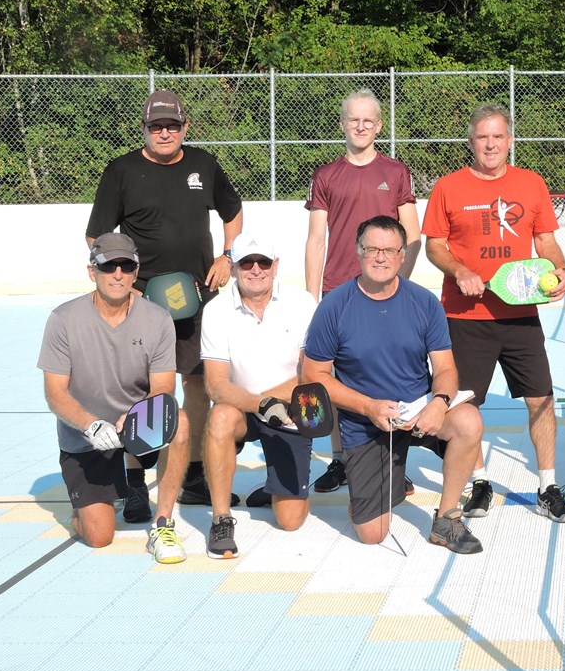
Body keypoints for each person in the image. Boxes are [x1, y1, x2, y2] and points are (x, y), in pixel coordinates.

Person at [86, 89, 242, 518]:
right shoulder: (121, 170)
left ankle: (192, 473)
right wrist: (126, 287)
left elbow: (233, 211)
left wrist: (227, 256)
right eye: (157, 126)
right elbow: (97, 237)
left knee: (195, 382)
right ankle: (135, 480)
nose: (165, 132)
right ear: (145, 128)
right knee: (142, 390)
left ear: (185, 127)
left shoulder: (204, 165)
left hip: (196, 296)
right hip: (140, 298)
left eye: (172, 125)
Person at [422, 104, 565, 523]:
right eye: (482, 137)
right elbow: (434, 245)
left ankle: (547, 487)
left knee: (541, 401)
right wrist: (460, 270)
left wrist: (561, 270)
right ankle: (479, 483)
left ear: (510, 141)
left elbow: (545, 242)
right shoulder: (448, 187)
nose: (490, 144)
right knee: (464, 409)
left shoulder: (531, 184)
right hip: (465, 317)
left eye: (498, 137)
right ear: (470, 142)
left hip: (520, 316)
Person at [301, 216, 485, 553]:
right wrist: (368, 407)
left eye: (389, 250)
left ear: (402, 256)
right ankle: (371, 489)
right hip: (365, 422)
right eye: (372, 249)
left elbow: (445, 367)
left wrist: (439, 401)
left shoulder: (423, 302)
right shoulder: (334, 307)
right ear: (358, 253)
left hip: (418, 413)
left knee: (468, 421)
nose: (380, 257)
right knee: (373, 534)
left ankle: (446, 519)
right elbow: (313, 376)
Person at [37, 233, 192, 563]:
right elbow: (54, 393)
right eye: (108, 266)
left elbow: (164, 387)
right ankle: (83, 509)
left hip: (134, 425)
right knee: (99, 537)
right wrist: (91, 425)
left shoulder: (158, 319)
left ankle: (162, 524)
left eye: (126, 266)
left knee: (181, 423)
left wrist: (137, 415)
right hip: (87, 434)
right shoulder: (63, 320)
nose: (117, 273)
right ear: (93, 272)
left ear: (136, 272)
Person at [304, 88, 421, 496]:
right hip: (339, 289)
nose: (360, 126)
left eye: (368, 120)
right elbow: (316, 239)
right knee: (335, 381)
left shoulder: (396, 171)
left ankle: (392, 460)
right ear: (342, 124)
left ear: (379, 126)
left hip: (383, 292)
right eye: (353, 119)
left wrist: (394, 284)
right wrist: (311, 299)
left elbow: (414, 235)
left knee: (384, 375)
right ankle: (342, 460)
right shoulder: (326, 175)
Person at [200, 234, 320, 558]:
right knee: (220, 416)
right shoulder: (215, 310)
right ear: (234, 267)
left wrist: (268, 402)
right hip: (242, 409)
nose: (256, 269)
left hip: (291, 409)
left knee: (291, 521)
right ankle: (221, 519)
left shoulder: (303, 303)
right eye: (246, 263)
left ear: (276, 266)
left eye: (263, 262)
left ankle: (275, 489)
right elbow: (214, 385)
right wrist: (259, 404)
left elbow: (310, 374)